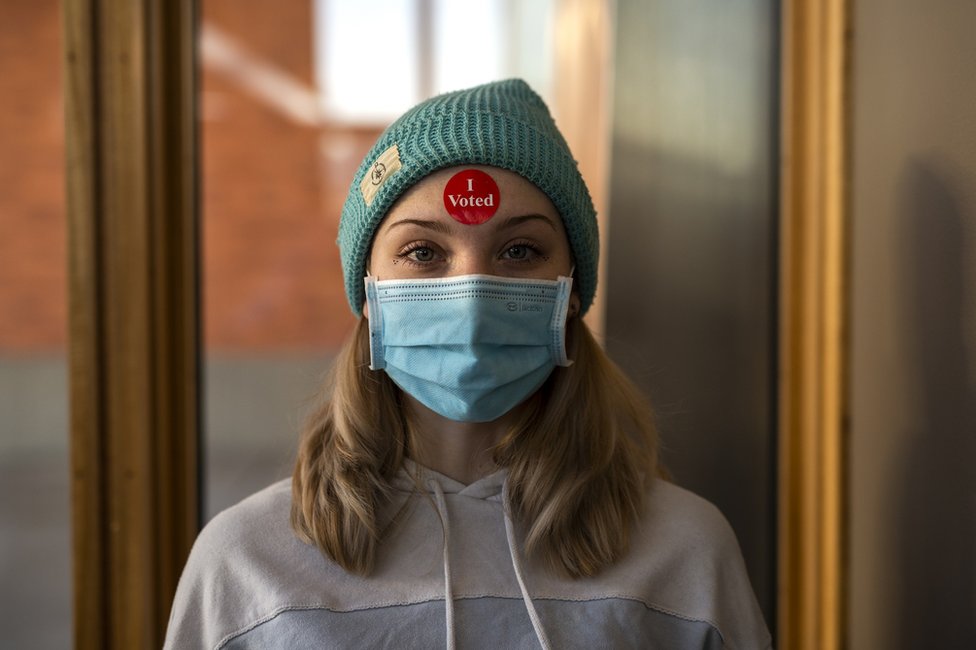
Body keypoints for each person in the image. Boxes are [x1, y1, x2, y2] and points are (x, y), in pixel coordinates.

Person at [164, 79, 771, 649]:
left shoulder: (686, 556)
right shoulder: (245, 565)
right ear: (370, 296)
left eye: (519, 250)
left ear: (572, 295)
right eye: (423, 251)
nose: (474, 291)